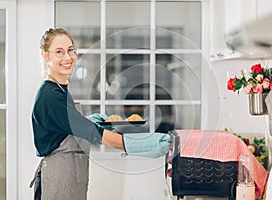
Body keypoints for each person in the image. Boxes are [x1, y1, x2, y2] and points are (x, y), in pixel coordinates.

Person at [30, 27, 170, 200]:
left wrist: (96, 121)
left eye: (70, 50)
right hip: (59, 178)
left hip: (71, 175)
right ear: (45, 54)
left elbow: (69, 126)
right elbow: (94, 134)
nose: (68, 57)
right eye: (59, 52)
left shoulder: (60, 90)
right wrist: (143, 144)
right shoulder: (50, 96)